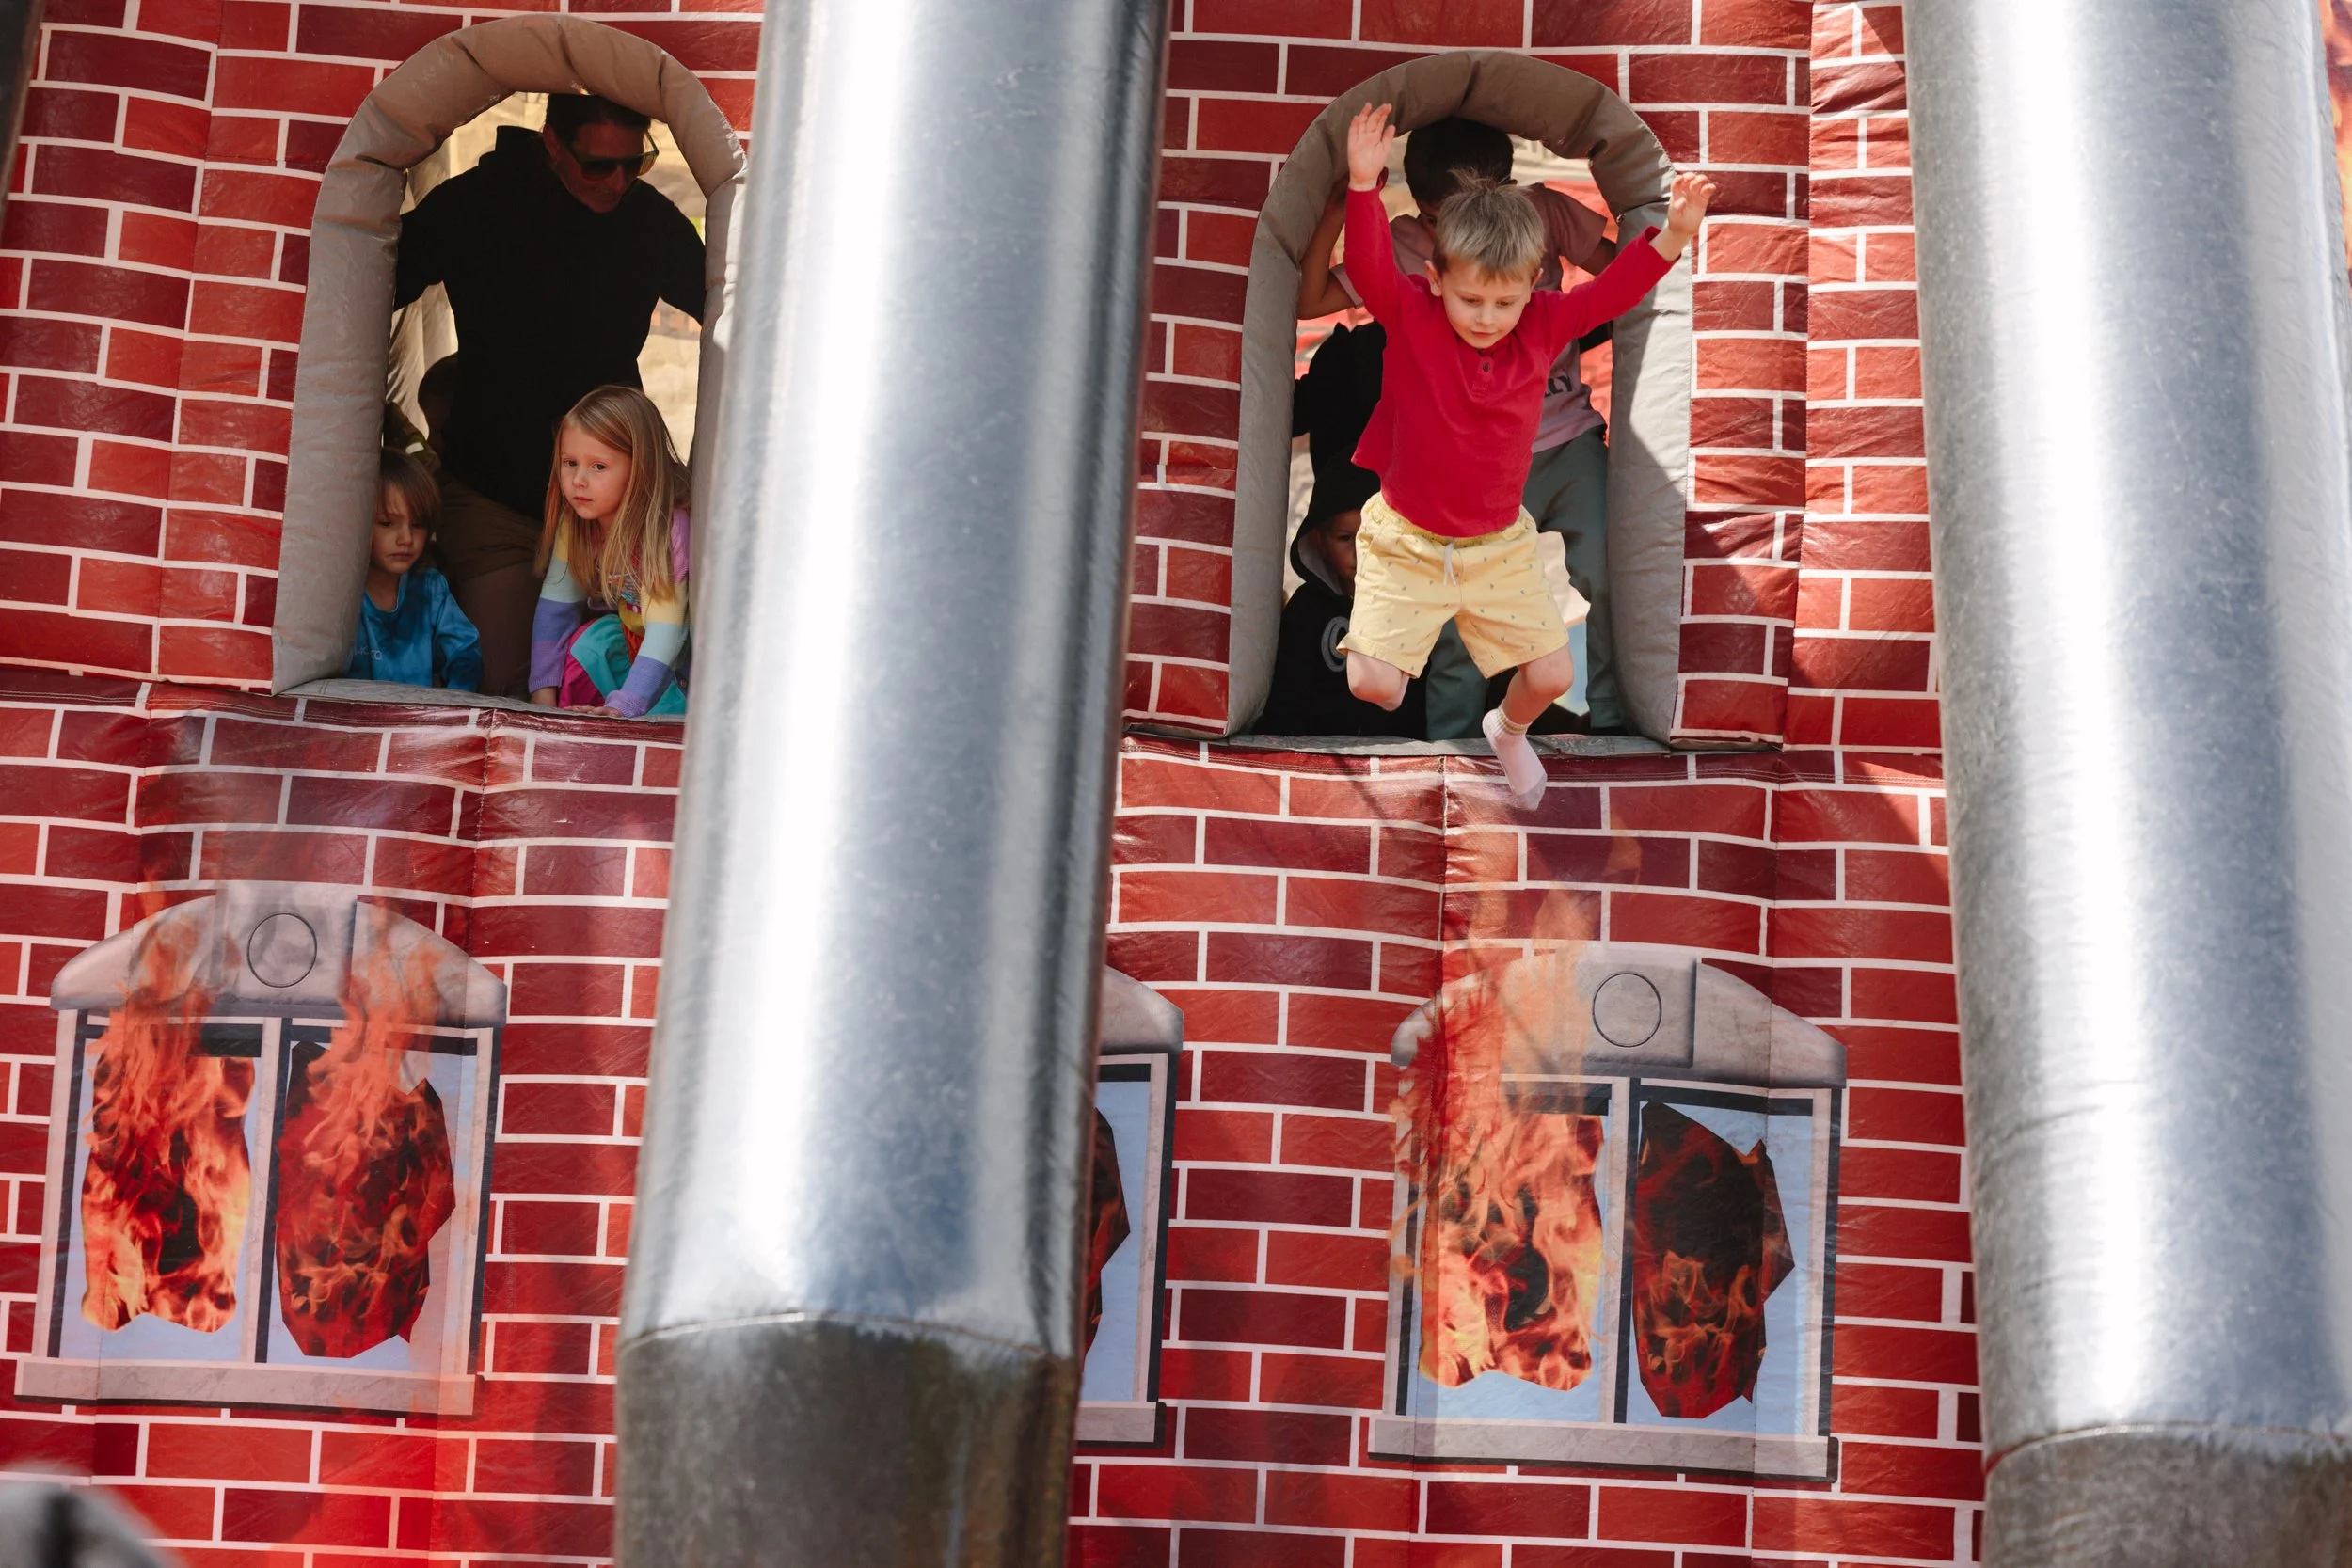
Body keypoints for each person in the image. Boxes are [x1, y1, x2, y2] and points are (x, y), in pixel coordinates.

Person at [1333, 103, 1710, 806]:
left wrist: (1674, 236)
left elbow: (1613, 291)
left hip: (1496, 545)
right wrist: (1362, 184)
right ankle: (1429, 717)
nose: (1487, 319)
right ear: (1436, 279)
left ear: (1533, 285)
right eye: (1471, 300)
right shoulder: (1413, 313)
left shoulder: (1541, 322)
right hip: (1409, 539)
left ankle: (1506, 731)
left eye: (1504, 303)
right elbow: (1367, 264)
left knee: (1551, 677)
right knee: (1373, 685)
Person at [1300, 116, 1630, 736]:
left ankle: (1615, 723)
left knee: (1609, 569)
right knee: (1456, 615)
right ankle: (1453, 742)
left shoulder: (1541, 214)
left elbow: (1621, 283)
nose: (1459, 232)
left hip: (1565, 438)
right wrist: (1341, 205)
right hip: (1465, 471)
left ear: (1506, 191)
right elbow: (1308, 299)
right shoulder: (1409, 245)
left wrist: (1668, 236)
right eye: (1438, 219)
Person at [396, 94, 706, 698]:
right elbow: (369, 281)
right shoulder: (477, 204)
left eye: (635, 163)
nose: (618, 182)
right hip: (497, 497)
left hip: (618, 506)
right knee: (503, 686)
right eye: (598, 165)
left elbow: (729, 304)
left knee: (614, 675)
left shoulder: (647, 219)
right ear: (553, 144)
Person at [1259, 321, 1427, 737]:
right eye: (1345, 538)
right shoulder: (1307, 611)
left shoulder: (1422, 606)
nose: (1361, 551)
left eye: (1374, 536)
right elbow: (1286, 703)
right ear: (1317, 542)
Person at [529, 387, 691, 718]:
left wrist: (625, 705)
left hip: (680, 661)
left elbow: (668, 632)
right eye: (570, 463)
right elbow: (556, 608)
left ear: (641, 467)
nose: (579, 480)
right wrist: (541, 692)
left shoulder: (665, 529)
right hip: (635, 642)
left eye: (599, 466)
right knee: (590, 644)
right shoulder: (576, 523)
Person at [346, 448, 483, 691]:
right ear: (356, 520)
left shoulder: (430, 587)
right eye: (387, 523)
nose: (406, 539)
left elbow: (464, 654)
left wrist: (453, 703)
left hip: (420, 713)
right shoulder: (341, 590)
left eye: (417, 525)